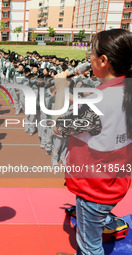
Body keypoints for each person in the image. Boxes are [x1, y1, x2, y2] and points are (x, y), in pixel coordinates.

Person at [55, 29, 132, 255]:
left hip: (94, 189)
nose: (88, 58)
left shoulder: (99, 102)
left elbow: (58, 126)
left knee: (90, 247)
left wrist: (60, 90)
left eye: (91, 53)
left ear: (103, 61)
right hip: (115, 180)